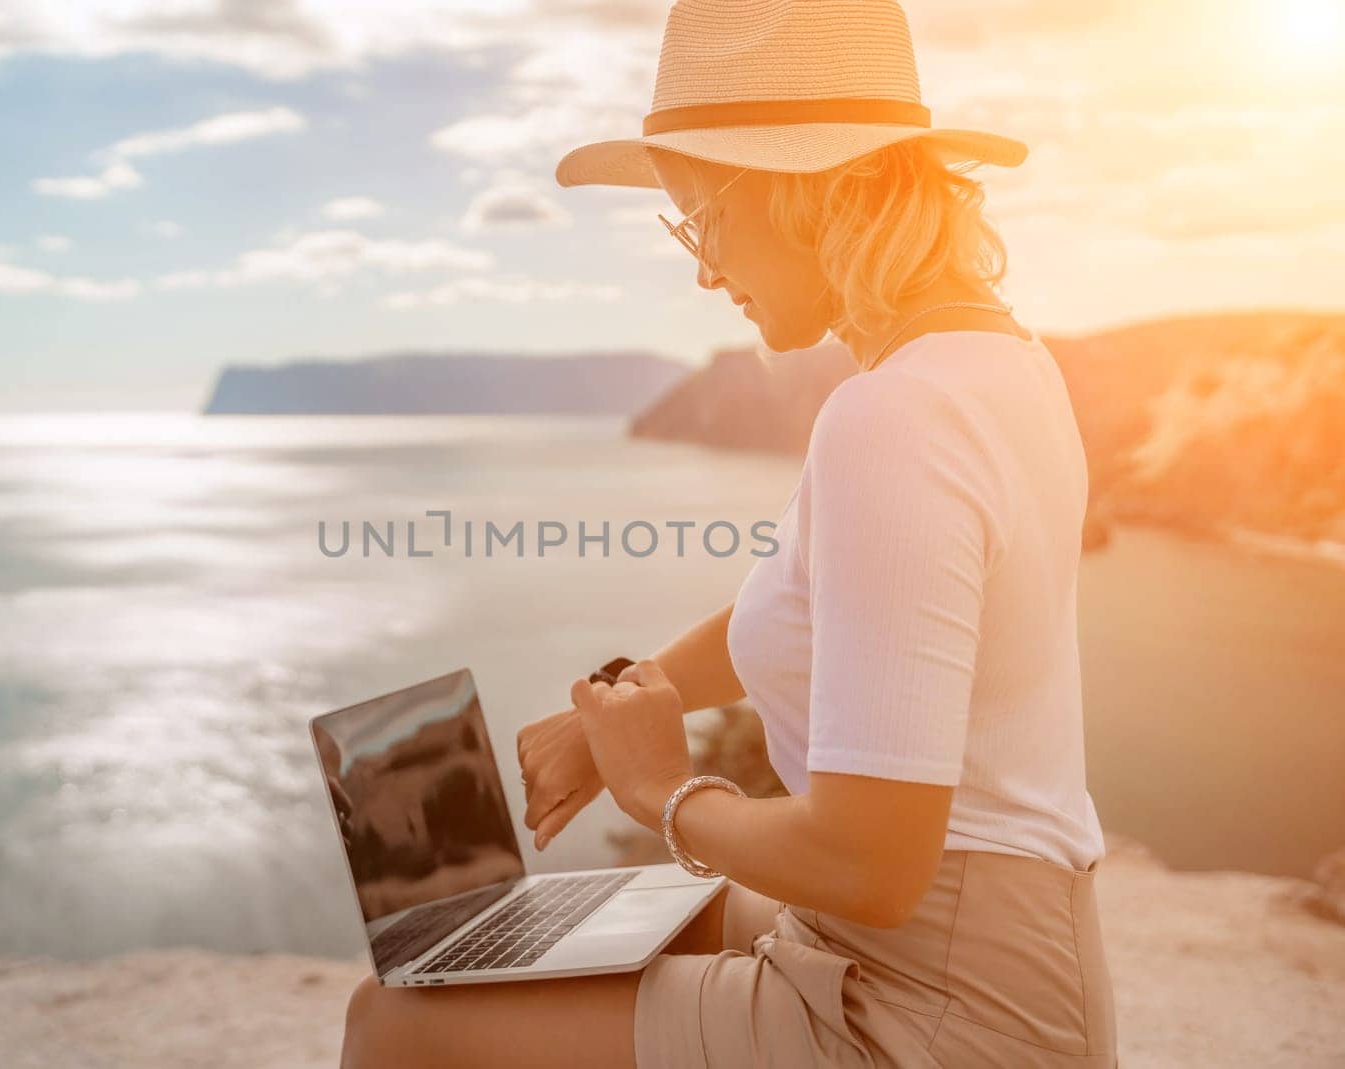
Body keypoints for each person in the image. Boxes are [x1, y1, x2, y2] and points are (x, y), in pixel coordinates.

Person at [342, 1, 1117, 1065]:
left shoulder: (893, 417)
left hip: (930, 1012)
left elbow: (869, 866)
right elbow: (815, 612)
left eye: (703, 215)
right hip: (944, 957)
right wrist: (615, 707)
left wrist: (657, 787)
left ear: (820, 191)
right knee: (542, 939)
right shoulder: (993, 365)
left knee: (398, 1023)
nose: (702, 267)